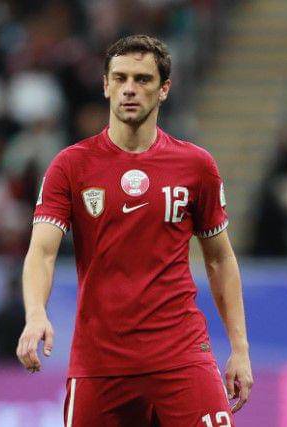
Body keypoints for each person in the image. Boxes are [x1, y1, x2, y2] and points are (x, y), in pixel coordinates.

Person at [16, 35, 253, 426]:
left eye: (142, 79)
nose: (129, 88)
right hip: (100, 362)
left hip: (181, 355)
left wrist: (239, 349)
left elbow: (220, 259)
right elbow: (41, 252)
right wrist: (36, 313)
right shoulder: (70, 167)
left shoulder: (196, 166)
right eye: (120, 78)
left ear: (164, 89)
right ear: (106, 85)